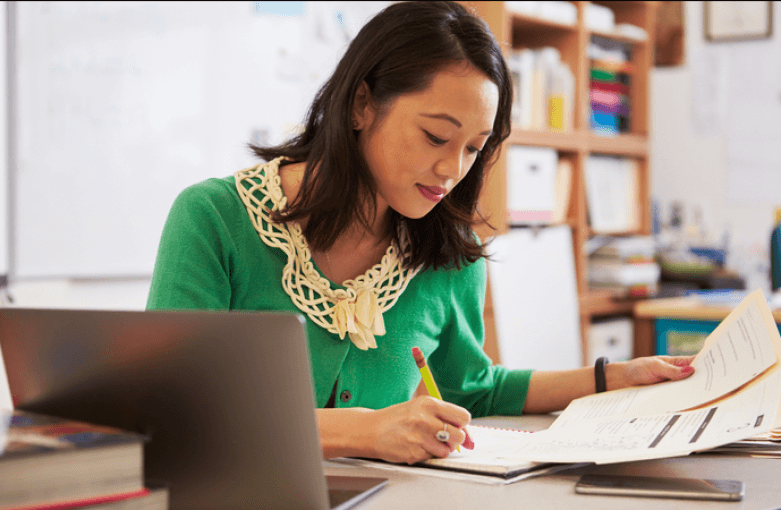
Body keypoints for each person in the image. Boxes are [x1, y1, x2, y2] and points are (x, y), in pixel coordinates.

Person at [147, 1, 694, 465]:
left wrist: (612, 379)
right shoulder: (214, 220)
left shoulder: (450, 255)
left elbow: (473, 388)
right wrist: (360, 431)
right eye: (436, 137)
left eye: (474, 148)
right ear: (362, 105)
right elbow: (174, 411)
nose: (453, 170)